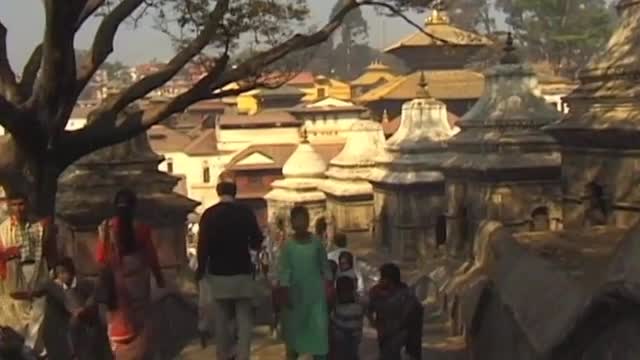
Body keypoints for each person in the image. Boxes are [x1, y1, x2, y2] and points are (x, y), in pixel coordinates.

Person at [196, 181, 263, 360]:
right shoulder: (245, 213)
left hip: (218, 274)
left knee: (221, 320)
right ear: (235, 192)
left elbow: (202, 247)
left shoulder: (209, 215)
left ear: (218, 192)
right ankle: (243, 356)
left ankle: (223, 355)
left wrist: (200, 271)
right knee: (244, 320)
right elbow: (257, 241)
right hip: (242, 271)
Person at [96, 189, 166, 360]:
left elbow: (101, 257)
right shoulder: (141, 228)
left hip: (116, 284)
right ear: (135, 207)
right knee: (141, 324)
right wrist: (159, 278)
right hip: (138, 283)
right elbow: (151, 256)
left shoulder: (107, 227)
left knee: (118, 322)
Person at [0, 191, 57, 357]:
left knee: (34, 347)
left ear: (28, 205)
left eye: (21, 204)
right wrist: (8, 253)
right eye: (14, 205)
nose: (18, 208)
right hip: (12, 300)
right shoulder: (2, 231)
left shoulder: (39, 227)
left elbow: (50, 255)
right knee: (14, 345)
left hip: (38, 294)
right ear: (9, 207)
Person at [11, 257, 101, 359]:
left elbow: (95, 296)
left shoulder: (84, 284)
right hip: (59, 333)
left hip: (83, 329)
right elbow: (36, 292)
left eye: (63, 272)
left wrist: (84, 308)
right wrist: (24, 295)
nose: (61, 276)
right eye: (58, 273)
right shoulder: (53, 286)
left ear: (71, 271)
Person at [277, 206, 332, 360]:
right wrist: (284, 291)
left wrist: (328, 286)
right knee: (294, 338)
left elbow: (325, 266)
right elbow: (284, 271)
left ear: (308, 221)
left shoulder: (316, 243)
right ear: (292, 223)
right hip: (294, 298)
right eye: (297, 220)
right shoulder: (288, 246)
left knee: (319, 335)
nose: (300, 223)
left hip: (316, 298)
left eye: (303, 219)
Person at [368, 263, 423, 360]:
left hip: (399, 333)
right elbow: (368, 308)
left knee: (390, 354)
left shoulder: (405, 294)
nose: (380, 280)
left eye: (383, 277)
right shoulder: (376, 292)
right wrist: (374, 323)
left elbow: (415, 313)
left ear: (390, 279)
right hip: (384, 334)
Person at [331, 276, 364, 360]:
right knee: (351, 355)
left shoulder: (337, 301)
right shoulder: (358, 301)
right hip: (352, 336)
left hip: (343, 336)